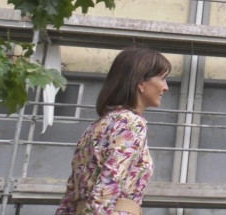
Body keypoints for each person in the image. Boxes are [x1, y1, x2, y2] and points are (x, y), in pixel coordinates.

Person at [56, 47, 171, 215]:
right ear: (141, 82)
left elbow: (70, 195)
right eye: (162, 78)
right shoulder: (130, 123)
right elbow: (109, 182)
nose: (166, 87)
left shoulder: (97, 126)